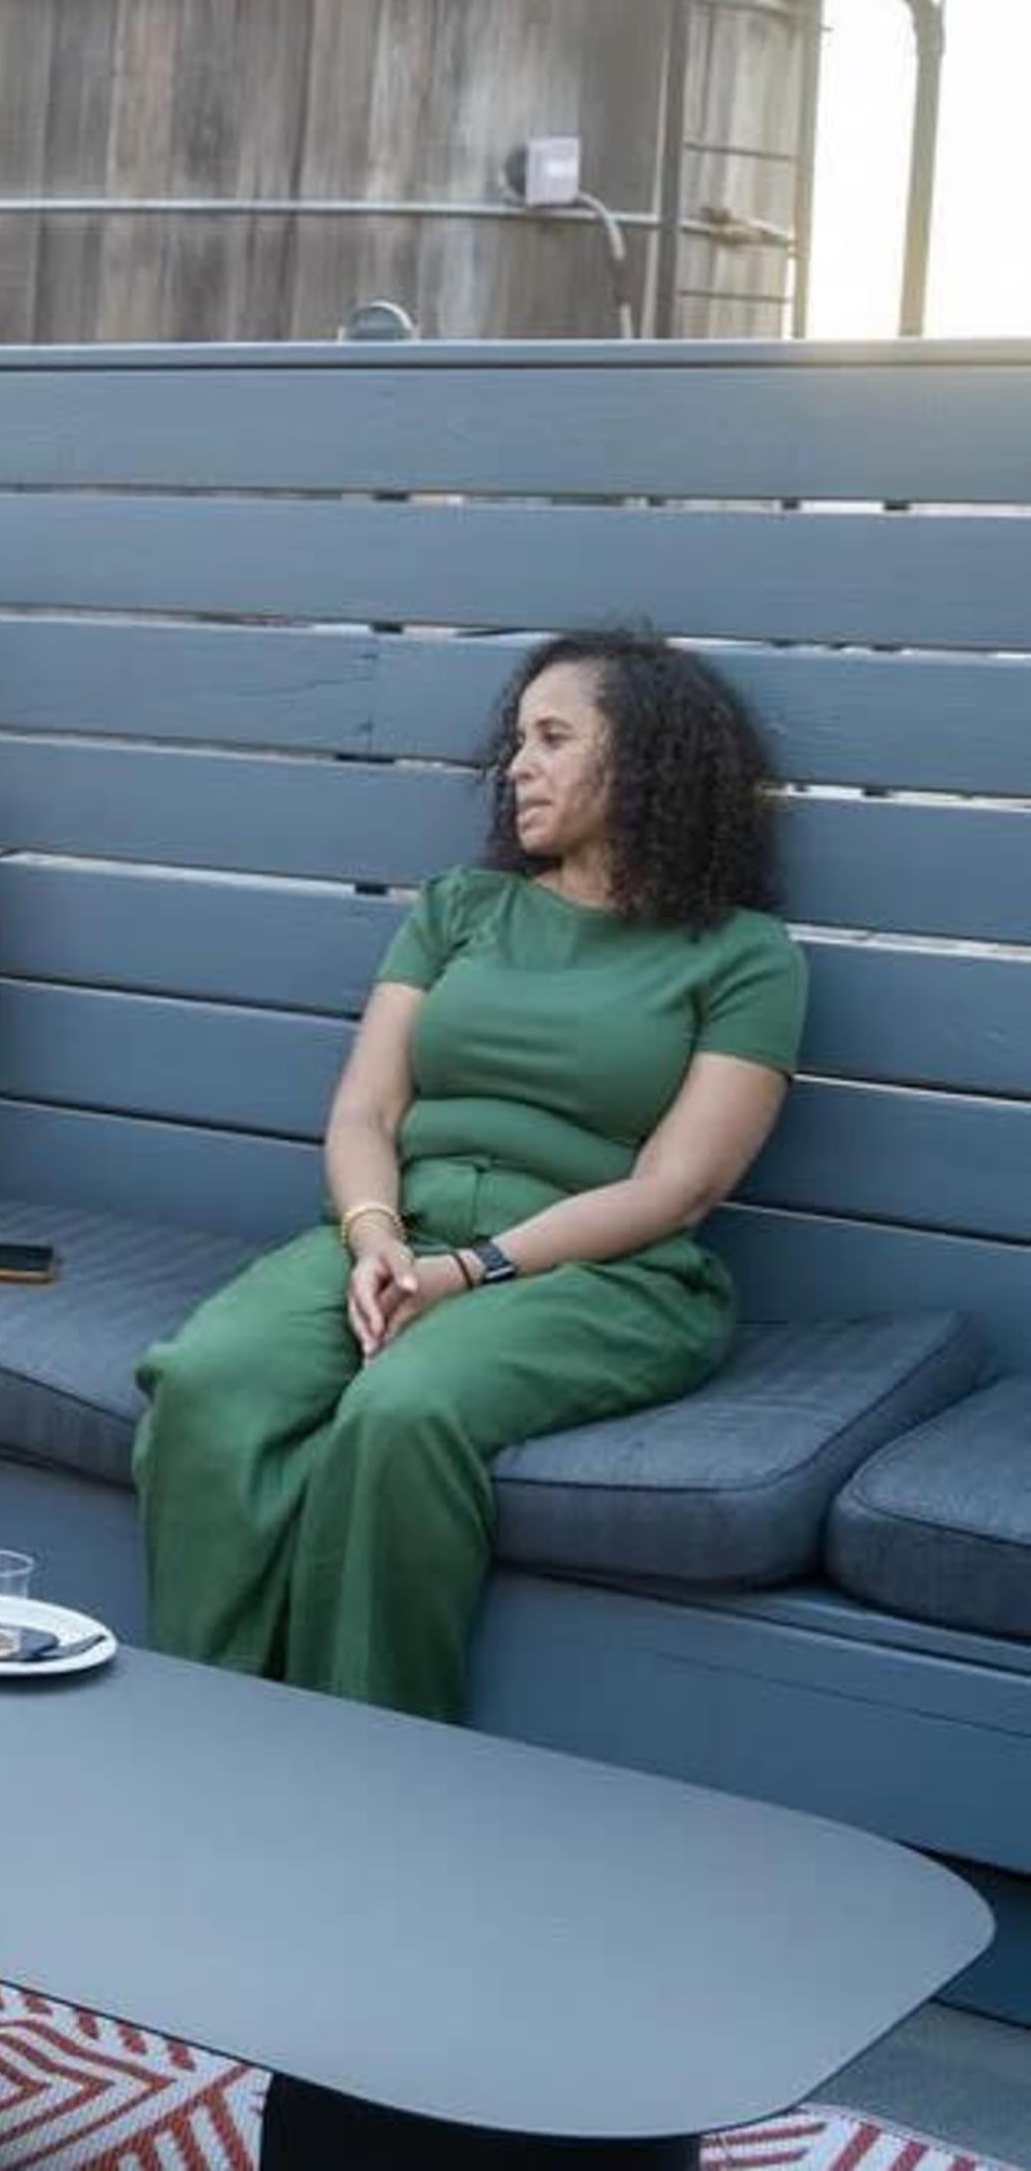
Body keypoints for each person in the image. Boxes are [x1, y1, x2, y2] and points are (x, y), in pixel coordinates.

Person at [135, 632, 801, 1722]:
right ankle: (210, 1726)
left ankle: (368, 1755)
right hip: (399, 1232)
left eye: (553, 738)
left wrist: (470, 1269)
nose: (518, 766)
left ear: (646, 760)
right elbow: (367, 1107)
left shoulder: (743, 953)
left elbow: (678, 1188)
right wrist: (373, 1233)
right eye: (516, 740)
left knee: (402, 1410)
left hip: (601, 1269)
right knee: (214, 1377)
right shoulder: (461, 907)